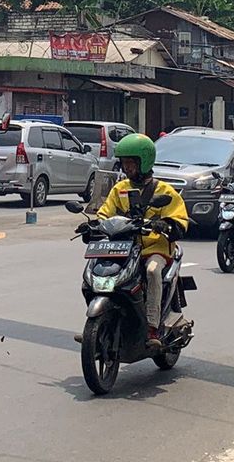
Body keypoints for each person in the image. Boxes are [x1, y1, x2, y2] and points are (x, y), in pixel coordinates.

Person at [87, 134, 188, 353]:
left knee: (152, 271)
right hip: (123, 247)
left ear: (144, 162)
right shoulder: (119, 188)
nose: (127, 167)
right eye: (124, 163)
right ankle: (104, 317)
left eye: (131, 163)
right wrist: (92, 226)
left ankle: (152, 327)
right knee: (97, 269)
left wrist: (165, 224)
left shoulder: (164, 191)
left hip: (154, 249)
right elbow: (106, 213)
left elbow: (179, 220)